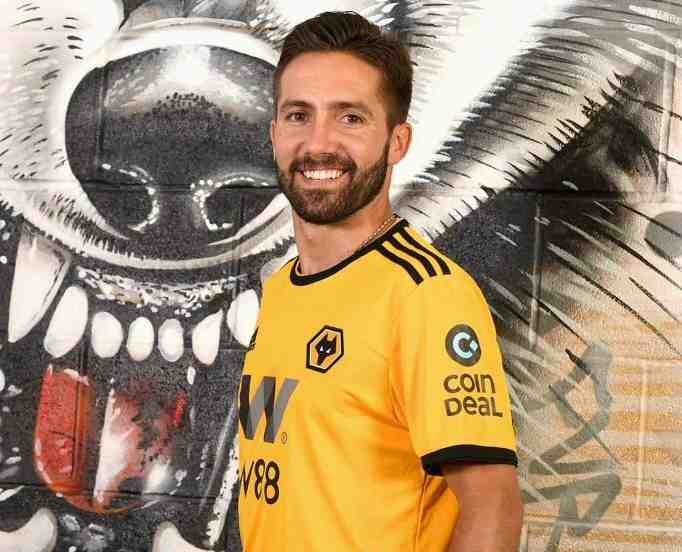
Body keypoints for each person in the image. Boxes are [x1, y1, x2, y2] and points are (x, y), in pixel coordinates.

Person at [238, 11, 523, 551]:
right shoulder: (281, 290)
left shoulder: (426, 295)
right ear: (274, 134)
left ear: (397, 142)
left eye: (350, 118)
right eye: (298, 115)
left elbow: (494, 507)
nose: (318, 143)